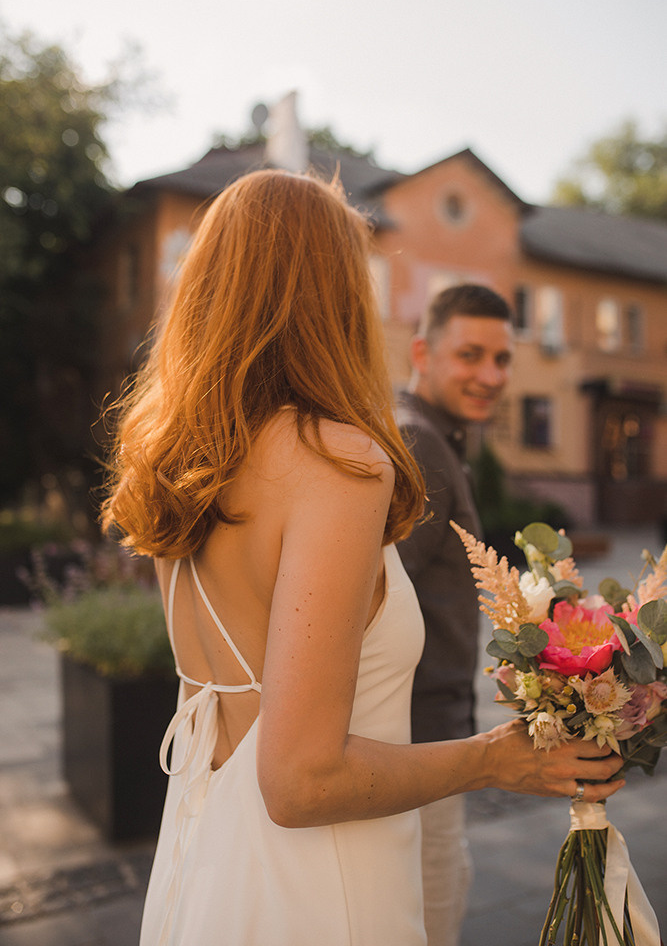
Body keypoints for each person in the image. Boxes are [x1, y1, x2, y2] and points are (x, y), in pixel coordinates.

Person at [101, 171, 624, 946]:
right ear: (333, 292)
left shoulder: (180, 461)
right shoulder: (338, 463)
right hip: (319, 889)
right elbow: (301, 781)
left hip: (207, 861)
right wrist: (493, 760)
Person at [396, 283, 514, 946]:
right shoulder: (417, 444)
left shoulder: (435, 438)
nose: (490, 375)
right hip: (413, 748)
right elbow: (372, 609)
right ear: (421, 351)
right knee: (430, 919)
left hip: (426, 743)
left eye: (501, 359)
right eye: (470, 355)